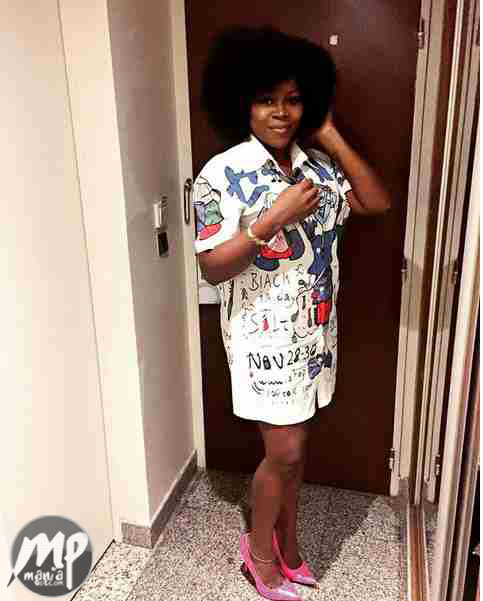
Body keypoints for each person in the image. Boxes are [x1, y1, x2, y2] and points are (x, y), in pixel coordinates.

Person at [193, 26, 391, 601]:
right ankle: (259, 555)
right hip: (263, 340)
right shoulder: (220, 174)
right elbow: (213, 268)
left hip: (315, 334)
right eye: (266, 99)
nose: (280, 113)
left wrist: (328, 133)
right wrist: (271, 220)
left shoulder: (319, 167)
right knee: (285, 451)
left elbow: (375, 201)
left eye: (294, 99)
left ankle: (290, 543)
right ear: (242, 103)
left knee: (295, 453)